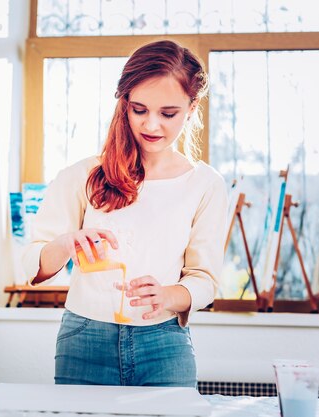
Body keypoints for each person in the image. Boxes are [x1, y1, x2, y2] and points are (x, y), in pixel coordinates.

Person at [22, 40, 228, 387]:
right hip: (84, 338)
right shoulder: (83, 174)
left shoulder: (205, 184)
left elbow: (204, 279)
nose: (151, 125)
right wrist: (66, 244)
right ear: (124, 104)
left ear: (192, 108)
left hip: (164, 342)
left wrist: (168, 295)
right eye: (139, 109)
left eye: (168, 113)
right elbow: (32, 263)